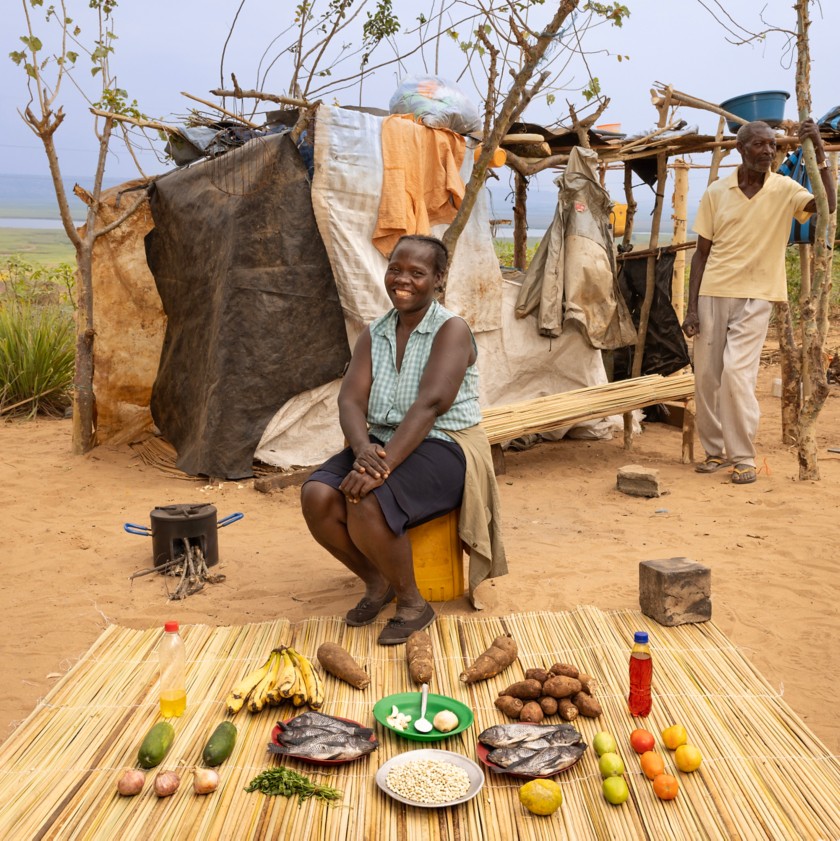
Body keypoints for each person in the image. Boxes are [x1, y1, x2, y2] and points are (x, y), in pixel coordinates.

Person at [300, 234, 498, 645]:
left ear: (439, 280)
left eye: (417, 273)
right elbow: (350, 400)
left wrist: (381, 467)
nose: (402, 280)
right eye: (395, 269)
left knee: (368, 499)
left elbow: (430, 404)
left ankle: (412, 604)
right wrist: (363, 451)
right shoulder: (375, 332)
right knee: (317, 496)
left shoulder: (451, 330)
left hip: (448, 443)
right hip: (383, 440)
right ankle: (376, 582)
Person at [682, 119, 836, 485]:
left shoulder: (785, 189)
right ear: (741, 149)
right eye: (759, 145)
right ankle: (715, 452)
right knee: (706, 377)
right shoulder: (717, 193)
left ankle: (743, 457)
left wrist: (821, 153)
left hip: (758, 295)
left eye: (772, 145)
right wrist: (691, 307)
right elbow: (701, 255)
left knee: (736, 374)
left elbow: (827, 207)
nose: (768, 151)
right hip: (713, 293)